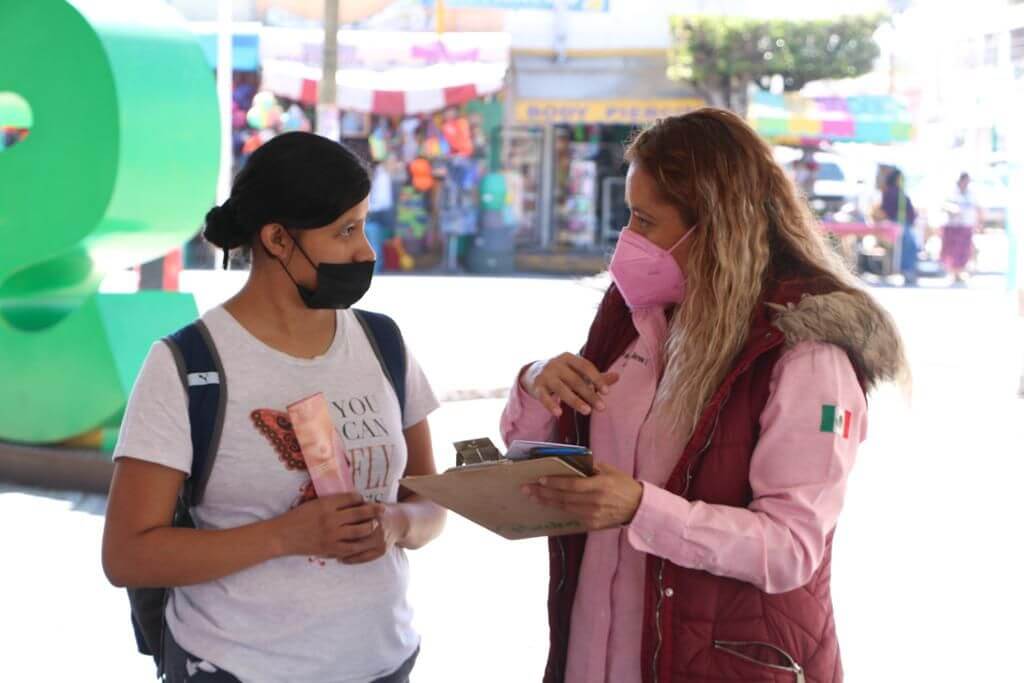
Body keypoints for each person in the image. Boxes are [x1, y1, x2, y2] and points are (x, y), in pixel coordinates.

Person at [501, 109, 906, 683]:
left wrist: (642, 509)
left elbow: (789, 548)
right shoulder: (635, 312)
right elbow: (533, 448)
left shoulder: (805, 352)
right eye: (628, 217)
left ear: (716, 226)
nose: (628, 241)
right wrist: (537, 381)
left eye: (646, 220)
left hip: (723, 661)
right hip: (595, 650)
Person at [102, 132, 445, 683]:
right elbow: (127, 555)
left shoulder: (384, 344)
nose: (367, 252)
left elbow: (431, 503)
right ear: (278, 239)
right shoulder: (186, 364)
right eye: (346, 231)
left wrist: (396, 523)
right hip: (234, 667)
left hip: (384, 663)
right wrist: (285, 536)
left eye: (363, 225)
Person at [941, 172, 984, 286]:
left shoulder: (971, 194)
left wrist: (979, 223)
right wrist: (952, 209)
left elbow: (978, 208)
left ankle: (960, 272)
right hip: (952, 225)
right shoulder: (951, 192)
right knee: (951, 250)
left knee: (963, 250)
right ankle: (952, 273)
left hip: (966, 225)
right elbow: (943, 205)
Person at [880, 169, 919, 285]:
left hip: (904, 222)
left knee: (910, 244)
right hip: (896, 222)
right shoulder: (891, 192)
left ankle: (909, 270)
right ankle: (906, 270)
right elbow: (886, 209)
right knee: (906, 244)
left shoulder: (900, 191)